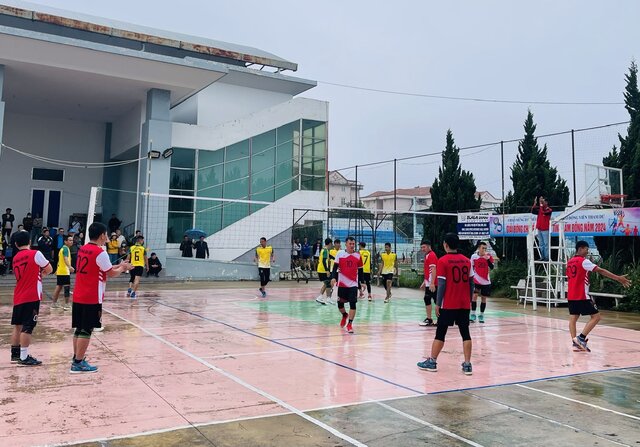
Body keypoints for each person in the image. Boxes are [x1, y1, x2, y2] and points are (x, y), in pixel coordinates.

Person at [71, 222, 132, 373]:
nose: (107, 238)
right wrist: (123, 268)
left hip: (79, 294)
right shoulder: (100, 252)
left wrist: (119, 266)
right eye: (106, 234)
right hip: (92, 296)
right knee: (87, 329)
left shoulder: (83, 249)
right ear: (102, 235)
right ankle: (78, 363)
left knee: (79, 329)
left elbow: (103, 269)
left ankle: (77, 358)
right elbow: (110, 273)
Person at [417, 233, 474, 375]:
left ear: (446, 245)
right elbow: (471, 283)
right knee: (465, 333)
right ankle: (467, 364)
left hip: (449, 303)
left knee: (440, 333)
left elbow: (441, 284)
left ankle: (432, 361)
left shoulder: (443, 261)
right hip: (464, 303)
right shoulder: (467, 261)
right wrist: (469, 299)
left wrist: (438, 304)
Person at [567, 240, 631, 352]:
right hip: (582, 295)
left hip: (571, 295)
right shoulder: (583, 261)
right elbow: (600, 270)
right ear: (581, 249)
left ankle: (575, 342)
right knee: (596, 317)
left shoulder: (570, 261)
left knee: (573, 318)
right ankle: (581, 338)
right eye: (586, 249)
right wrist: (618, 278)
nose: (587, 252)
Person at [10, 230, 53, 366]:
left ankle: (15, 354)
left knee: (17, 326)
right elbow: (50, 269)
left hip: (19, 295)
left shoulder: (15, 258)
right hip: (31, 295)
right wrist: (41, 275)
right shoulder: (35, 254)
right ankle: (24, 356)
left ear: (16, 244)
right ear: (29, 241)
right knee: (28, 326)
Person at [330, 236, 363, 334]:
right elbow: (335, 267)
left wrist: (362, 283)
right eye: (350, 244)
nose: (352, 246)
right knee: (340, 305)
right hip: (342, 284)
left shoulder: (358, 255)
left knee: (353, 304)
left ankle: (350, 324)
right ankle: (344, 315)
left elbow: (361, 271)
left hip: (353, 284)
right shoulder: (340, 254)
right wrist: (333, 277)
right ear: (346, 244)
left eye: (353, 244)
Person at [470, 241, 494, 323]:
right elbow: (471, 267)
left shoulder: (488, 256)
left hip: (486, 282)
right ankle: (473, 314)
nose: (484, 249)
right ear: (478, 248)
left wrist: (487, 260)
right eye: (482, 248)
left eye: (485, 248)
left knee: (484, 298)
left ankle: (481, 315)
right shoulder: (474, 256)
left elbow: (492, 267)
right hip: (476, 280)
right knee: (474, 296)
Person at [52, 235, 75, 310]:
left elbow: (60, 261)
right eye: (70, 240)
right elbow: (65, 259)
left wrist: (57, 270)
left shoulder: (63, 249)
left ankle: (54, 303)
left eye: (72, 240)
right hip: (64, 271)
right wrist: (69, 267)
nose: (71, 242)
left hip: (61, 270)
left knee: (59, 286)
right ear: (65, 241)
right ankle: (67, 304)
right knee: (66, 287)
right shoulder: (65, 249)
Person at [419, 240, 438, 326]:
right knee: (428, 299)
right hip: (429, 282)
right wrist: (425, 282)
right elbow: (428, 271)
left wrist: (432, 283)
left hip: (433, 283)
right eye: (421, 247)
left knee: (436, 300)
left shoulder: (432, 255)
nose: (422, 249)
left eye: (424, 247)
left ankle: (437, 319)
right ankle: (429, 319)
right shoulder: (427, 255)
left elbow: (433, 269)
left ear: (429, 246)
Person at [126, 235, 147, 300]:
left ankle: (130, 288)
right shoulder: (143, 248)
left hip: (132, 265)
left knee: (132, 278)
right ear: (140, 241)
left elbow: (128, 257)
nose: (143, 241)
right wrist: (147, 266)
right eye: (142, 240)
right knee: (137, 279)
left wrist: (126, 264)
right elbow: (146, 259)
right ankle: (133, 292)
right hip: (139, 265)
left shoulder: (131, 248)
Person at [531, 196, 552, 261]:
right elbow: (533, 211)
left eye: (544, 201)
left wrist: (540, 204)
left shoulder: (549, 210)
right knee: (541, 244)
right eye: (542, 201)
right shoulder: (540, 208)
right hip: (539, 228)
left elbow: (543, 212)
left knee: (546, 244)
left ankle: (547, 257)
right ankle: (542, 257)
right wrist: (535, 203)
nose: (542, 202)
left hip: (545, 229)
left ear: (546, 202)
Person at [315, 238, 333, 305]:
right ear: (330, 243)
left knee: (327, 283)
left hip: (321, 269)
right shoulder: (325, 250)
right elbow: (323, 261)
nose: (332, 245)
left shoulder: (324, 250)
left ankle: (325, 298)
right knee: (328, 283)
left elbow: (329, 257)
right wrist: (327, 270)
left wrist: (335, 258)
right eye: (332, 244)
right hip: (322, 270)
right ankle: (323, 297)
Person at [326, 239, 341, 305]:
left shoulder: (342, 252)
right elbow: (328, 261)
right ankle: (329, 297)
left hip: (340, 270)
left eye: (339, 243)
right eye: (336, 243)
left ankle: (340, 298)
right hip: (333, 270)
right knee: (331, 284)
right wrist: (328, 270)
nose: (338, 244)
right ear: (334, 244)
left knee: (340, 285)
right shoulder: (331, 251)